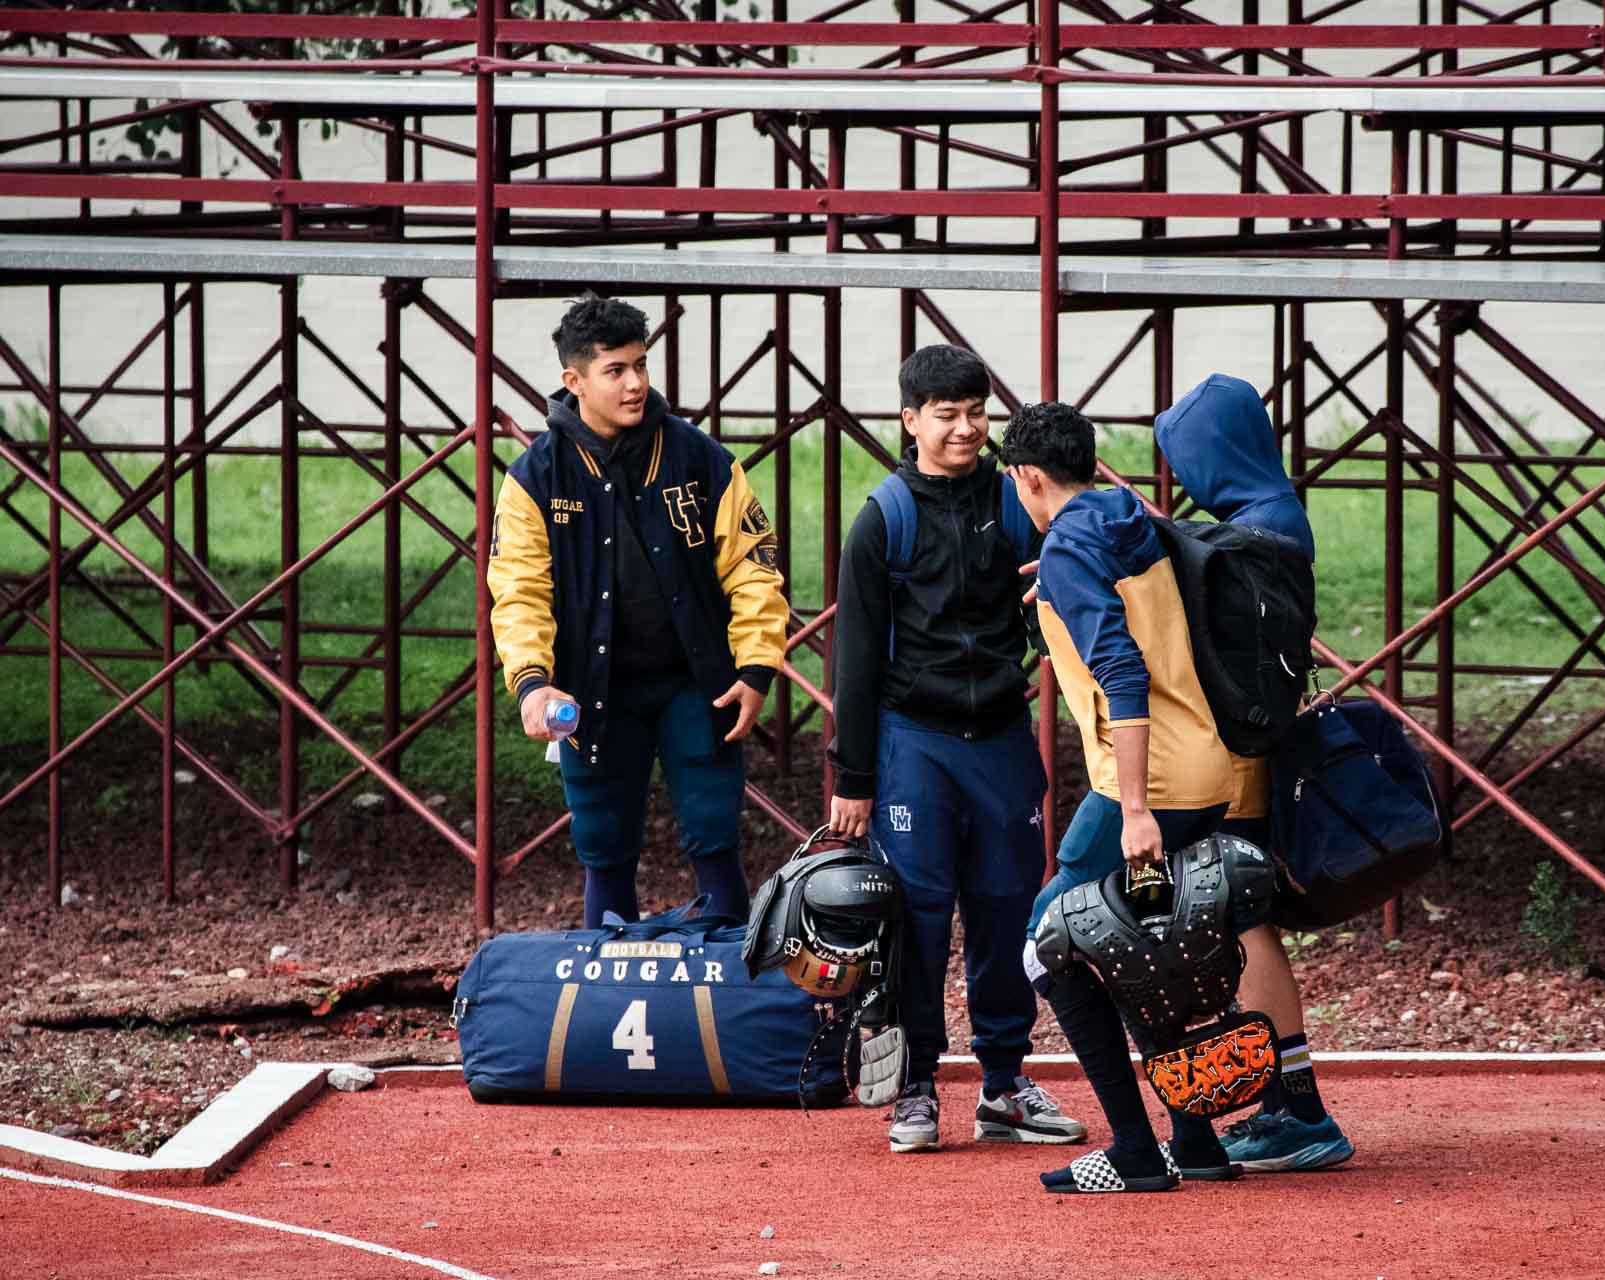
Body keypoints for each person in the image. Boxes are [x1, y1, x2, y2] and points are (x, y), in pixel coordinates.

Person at [999, 399, 1345, 1194]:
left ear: (1027, 478)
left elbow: (1122, 673)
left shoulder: (1070, 549)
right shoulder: (1124, 515)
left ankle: (1133, 1148)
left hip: (1151, 787)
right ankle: (1193, 1140)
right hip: (1208, 767)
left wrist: (1133, 811)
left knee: (1047, 947)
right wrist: (1060, 590)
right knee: (1132, 948)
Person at [826, 344, 1086, 1155]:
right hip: (913, 744)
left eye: (977, 412)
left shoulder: (1017, 499)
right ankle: (915, 1087)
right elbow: (854, 659)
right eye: (947, 416)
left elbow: (1062, 590)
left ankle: (1004, 1085)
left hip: (1001, 736)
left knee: (1006, 908)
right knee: (918, 920)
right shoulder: (884, 519)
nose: (967, 429)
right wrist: (852, 776)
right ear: (911, 421)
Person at [488, 294, 788, 928]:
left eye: (641, 365)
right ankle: (606, 980)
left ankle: (728, 979)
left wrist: (757, 666)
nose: (635, 384)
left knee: (714, 833)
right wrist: (532, 684)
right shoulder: (534, 478)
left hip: (695, 683)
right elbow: (518, 591)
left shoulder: (701, 458)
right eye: (615, 370)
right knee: (602, 845)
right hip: (591, 691)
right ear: (574, 381)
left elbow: (753, 566)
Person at [1151, 372, 1351, 1174]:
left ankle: (1298, 1111)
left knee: (1242, 923)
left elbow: (1200, 570)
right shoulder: (1268, 509)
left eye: (1187, 460)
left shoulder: (1260, 529)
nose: (1185, 478)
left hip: (1231, 762)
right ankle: (1285, 1105)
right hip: (1244, 754)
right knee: (1239, 923)